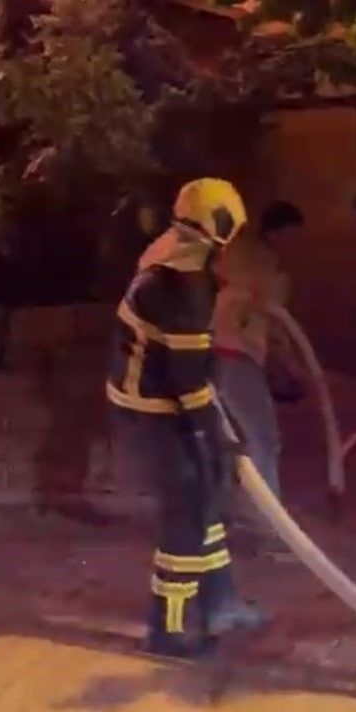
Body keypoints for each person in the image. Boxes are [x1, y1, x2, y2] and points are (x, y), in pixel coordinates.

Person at [107, 177, 267, 659]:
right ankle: (168, 629)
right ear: (219, 232)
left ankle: (220, 604)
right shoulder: (183, 287)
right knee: (185, 511)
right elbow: (187, 381)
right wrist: (214, 432)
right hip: (153, 410)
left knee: (206, 494)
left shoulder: (176, 260)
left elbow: (192, 376)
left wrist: (215, 432)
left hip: (165, 399)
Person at [212, 200, 304, 518]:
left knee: (228, 436)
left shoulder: (236, 254)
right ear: (278, 233)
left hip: (213, 352)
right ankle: (269, 521)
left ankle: (227, 510)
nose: (297, 244)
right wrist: (290, 365)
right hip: (236, 354)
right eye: (293, 235)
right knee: (263, 437)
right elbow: (272, 321)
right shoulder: (268, 268)